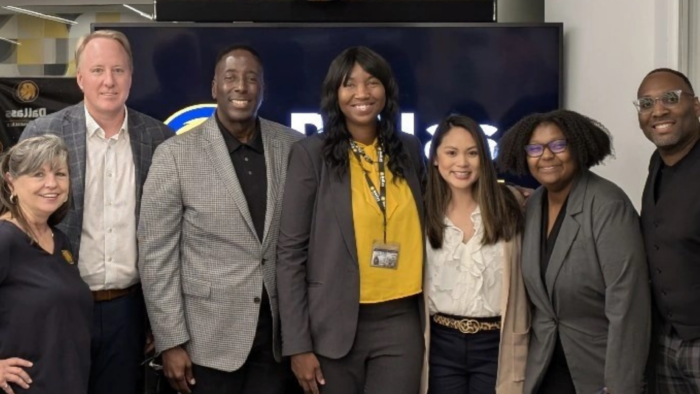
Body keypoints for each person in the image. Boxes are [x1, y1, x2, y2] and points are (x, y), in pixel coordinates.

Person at [138, 44, 303, 394]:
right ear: (215, 88)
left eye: (250, 78)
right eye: (230, 77)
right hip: (205, 344)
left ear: (263, 88)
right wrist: (170, 341)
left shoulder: (292, 147)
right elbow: (156, 257)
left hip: (275, 344)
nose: (240, 86)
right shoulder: (175, 155)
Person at [19, 30, 172, 394]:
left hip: (128, 311)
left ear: (131, 78)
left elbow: (168, 234)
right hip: (58, 306)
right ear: (80, 78)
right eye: (98, 69)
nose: (109, 81)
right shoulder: (44, 132)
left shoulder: (159, 139)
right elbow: (17, 224)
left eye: (119, 71)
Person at [276, 46, 427, 394]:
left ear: (386, 90)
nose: (362, 93)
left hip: (400, 323)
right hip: (332, 326)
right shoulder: (311, 154)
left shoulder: (408, 149)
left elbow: (441, 209)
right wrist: (297, 344)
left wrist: (506, 194)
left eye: (372, 82)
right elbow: (290, 254)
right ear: (335, 94)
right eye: (349, 84)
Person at [496, 109, 651, 394]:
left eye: (558, 145)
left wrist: (621, 385)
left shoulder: (607, 205)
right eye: (535, 148)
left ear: (578, 147)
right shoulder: (534, 204)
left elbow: (628, 305)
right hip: (544, 366)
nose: (546, 156)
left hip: (598, 368)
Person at [424, 114, 528, 394]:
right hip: (441, 344)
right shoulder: (421, 212)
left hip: (496, 344)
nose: (462, 163)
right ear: (435, 158)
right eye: (451, 153)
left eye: (472, 153)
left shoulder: (512, 206)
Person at [0, 135, 92, 394]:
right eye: (38, 174)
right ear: (11, 182)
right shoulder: (5, 239)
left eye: (60, 174)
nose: (51, 184)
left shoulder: (60, 240)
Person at [635, 68, 700, 393]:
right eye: (646, 103)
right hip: (666, 341)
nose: (658, 111)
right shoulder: (657, 163)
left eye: (670, 99)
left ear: (697, 106)